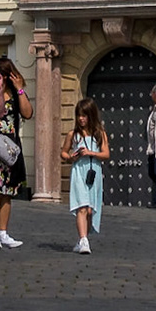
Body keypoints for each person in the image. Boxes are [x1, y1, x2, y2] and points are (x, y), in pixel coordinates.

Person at [0, 56, 33, 249]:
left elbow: (28, 113)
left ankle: (3, 232)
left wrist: (20, 88)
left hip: (10, 149)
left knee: (7, 192)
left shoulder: (14, 93)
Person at [63, 98, 108, 255]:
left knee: (89, 210)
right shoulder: (73, 134)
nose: (81, 119)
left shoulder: (99, 134)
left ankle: (83, 238)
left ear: (91, 115)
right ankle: (83, 240)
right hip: (78, 171)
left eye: (84, 115)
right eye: (79, 115)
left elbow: (106, 154)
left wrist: (91, 153)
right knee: (81, 207)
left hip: (93, 171)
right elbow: (63, 152)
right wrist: (71, 157)